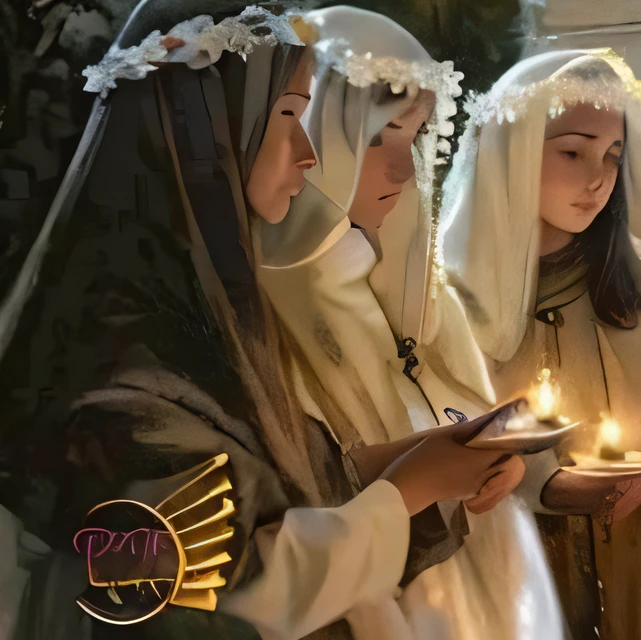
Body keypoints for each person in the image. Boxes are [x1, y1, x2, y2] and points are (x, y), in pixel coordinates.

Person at [0, 6, 544, 639]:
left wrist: (431, 459)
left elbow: (266, 485)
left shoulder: (210, 312)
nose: (308, 152)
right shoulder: (122, 376)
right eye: (288, 115)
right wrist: (405, 493)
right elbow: (213, 594)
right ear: (203, 129)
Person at [439, 49, 641, 640]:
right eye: (572, 151)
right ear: (512, 152)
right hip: (521, 583)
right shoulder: (454, 304)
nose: (598, 178)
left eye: (613, 157)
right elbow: (438, 458)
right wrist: (545, 486)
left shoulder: (631, 287)